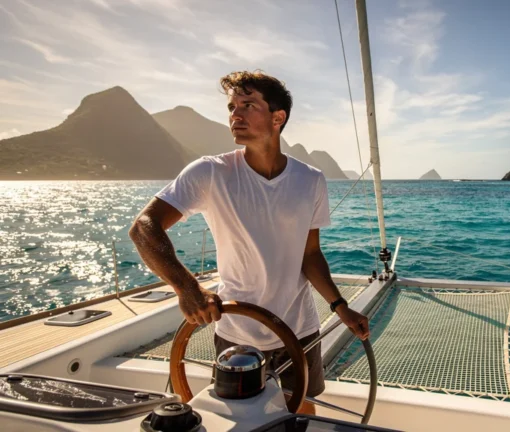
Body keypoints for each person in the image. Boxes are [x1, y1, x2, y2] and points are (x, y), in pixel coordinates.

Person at [129, 70, 370, 415]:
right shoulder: (210, 172)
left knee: (302, 414)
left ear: (277, 117)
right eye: (232, 107)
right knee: (241, 419)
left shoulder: (310, 179)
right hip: (237, 331)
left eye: (248, 105)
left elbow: (310, 254)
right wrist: (187, 287)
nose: (235, 115)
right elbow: (144, 227)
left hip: (299, 330)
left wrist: (340, 306)